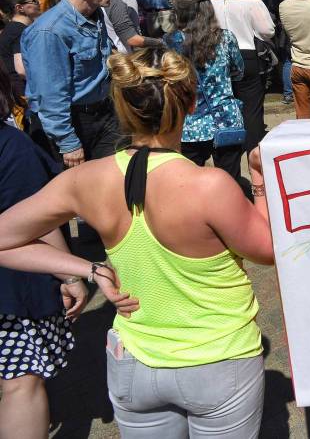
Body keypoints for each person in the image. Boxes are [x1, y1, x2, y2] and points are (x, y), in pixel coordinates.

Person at [0, 47, 274, 437]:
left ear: (122, 109)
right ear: (191, 104)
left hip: (134, 364)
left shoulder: (85, 181)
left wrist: (88, 269)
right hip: (218, 361)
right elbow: (266, 251)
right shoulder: (210, 186)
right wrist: (260, 181)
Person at [0, 65, 134, 439]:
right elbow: (33, 223)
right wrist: (72, 274)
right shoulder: (11, 148)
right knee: (21, 383)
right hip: (12, 291)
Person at [21, 0, 121, 167]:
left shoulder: (97, 13)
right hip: (71, 123)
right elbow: (50, 93)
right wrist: (68, 143)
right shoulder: (50, 31)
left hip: (103, 114)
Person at [165, 0, 247, 186]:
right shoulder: (226, 38)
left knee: (190, 187)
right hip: (226, 121)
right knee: (231, 184)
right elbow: (239, 72)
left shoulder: (171, 42)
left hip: (189, 126)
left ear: (180, 11)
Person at [209, 0, 275, 153]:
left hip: (218, 57)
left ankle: (227, 153)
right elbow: (268, 31)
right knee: (252, 110)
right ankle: (254, 158)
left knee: (222, 105)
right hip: (246, 54)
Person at [258, 0, 293, 105]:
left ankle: (269, 86)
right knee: (286, 59)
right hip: (282, 26)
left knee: (269, 58)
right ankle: (288, 93)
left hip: (265, 27)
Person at [0, 0, 41, 100]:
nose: (40, 2)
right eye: (35, 1)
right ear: (20, 8)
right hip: (23, 96)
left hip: (14, 93)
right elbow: (22, 70)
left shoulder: (11, 29)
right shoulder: (20, 32)